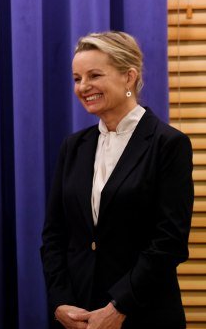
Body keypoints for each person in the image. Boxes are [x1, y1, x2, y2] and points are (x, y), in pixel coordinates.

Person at [41, 31, 193, 328]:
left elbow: (169, 242)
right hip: (79, 316)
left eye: (94, 75)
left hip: (145, 314)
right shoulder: (73, 146)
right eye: (77, 78)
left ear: (129, 77)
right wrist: (60, 301)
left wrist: (118, 307)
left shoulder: (168, 144)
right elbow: (54, 236)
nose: (83, 87)